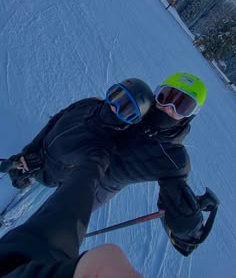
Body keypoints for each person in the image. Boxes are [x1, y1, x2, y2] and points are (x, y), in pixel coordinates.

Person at [0, 73, 219, 259]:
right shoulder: (134, 106)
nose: (169, 107)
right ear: (157, 93)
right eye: (167, 96)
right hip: (70, 162)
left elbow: (178, 211)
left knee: (53, 216)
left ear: (190, 115)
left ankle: (26, 230)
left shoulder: (172, 159)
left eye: (182, 105)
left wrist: (189, 224)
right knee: (46, 178)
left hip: (94, 190)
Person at [0, 78, 153, 277]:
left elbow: (86, 181)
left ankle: (9, 218)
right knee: (16, 176)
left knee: (34, 206)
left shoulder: (102, 149)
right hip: (37, 157)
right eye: (116, 96)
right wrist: (30, 149)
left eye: (125, 110)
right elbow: (56, 120)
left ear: (132, 121)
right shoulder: (90, 104)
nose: (114, 107)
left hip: (51, 179)